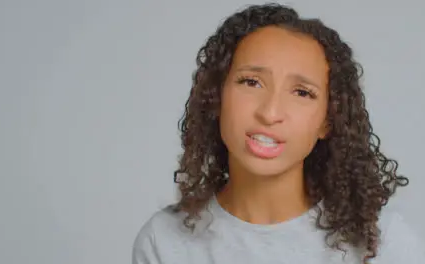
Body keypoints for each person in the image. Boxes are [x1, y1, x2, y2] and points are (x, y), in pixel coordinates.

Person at [132, 3, 424, 264]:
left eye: (302, 92)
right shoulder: (164, 243)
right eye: (251, 82)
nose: (270, 113)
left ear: (327, 121)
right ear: (217, 96)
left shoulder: (382, 243)